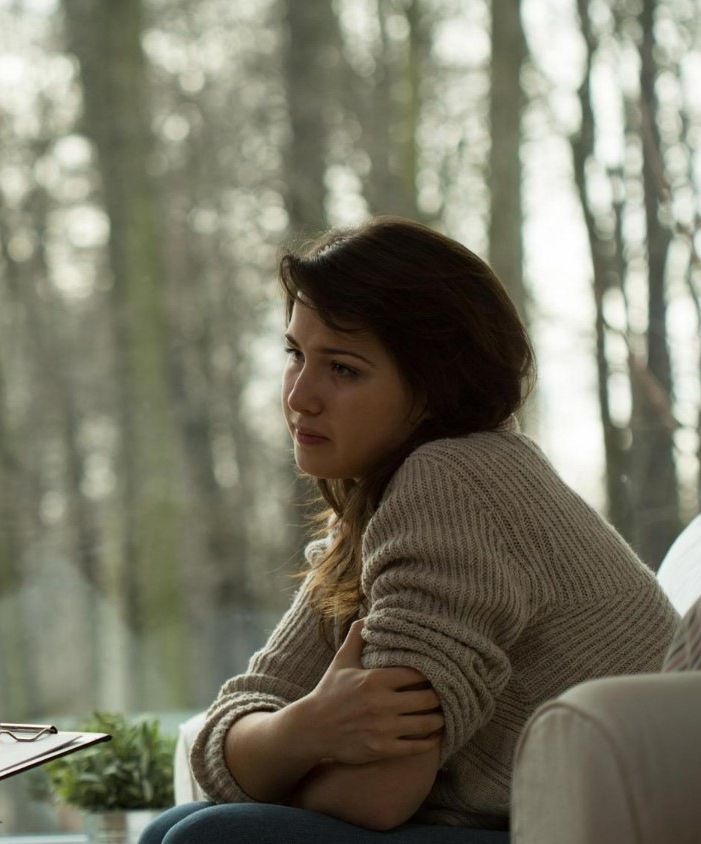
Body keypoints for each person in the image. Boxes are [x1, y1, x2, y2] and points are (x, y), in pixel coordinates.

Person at [142, 217, 678, 844]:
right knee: (177, 828)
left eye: (342, 368)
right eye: (295, 354)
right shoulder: (378, 510)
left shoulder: (456, 479)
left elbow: (376, 794)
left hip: (600, 831)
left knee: (205, 838)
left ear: (432, 390)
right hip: (518, 824)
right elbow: (232, 724)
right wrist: (308, 728)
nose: (299, 396)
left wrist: (287, 752)